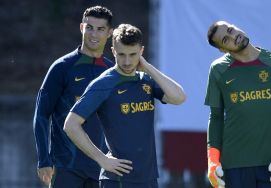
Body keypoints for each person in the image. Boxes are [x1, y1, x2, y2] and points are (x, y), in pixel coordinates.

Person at [63, 23, 186, 188]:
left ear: (141, 52)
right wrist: (102, 159)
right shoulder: (103, 84)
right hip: (118, 180)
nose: (127, 61)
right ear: (113, 51)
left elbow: (179, 97)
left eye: (133, 54)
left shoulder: (146, 80)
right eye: (121, 54)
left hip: (148, 179)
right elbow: (70, 125)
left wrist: (148, 68)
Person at [204, 20, 271, 188]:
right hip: (234, 165)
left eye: (230, 29)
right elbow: (216, 117)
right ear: (222, 49)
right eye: (226, 39)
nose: (233, 36)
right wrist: (212, 160)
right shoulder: (218, 69)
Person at [33, 6, 114, 188]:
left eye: (100, 29)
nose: (94, 34)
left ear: (109, 33)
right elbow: (41, 115)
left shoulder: (112, 73)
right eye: (89, 27)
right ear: (81, 28)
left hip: (101, 169)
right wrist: (43, 160)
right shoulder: (62, 67)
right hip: (65, 168)